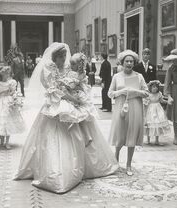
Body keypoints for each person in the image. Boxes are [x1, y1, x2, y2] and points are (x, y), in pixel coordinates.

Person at [14, 42, 118, 193]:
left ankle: (85, 166)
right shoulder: (49, 69)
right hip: (57, 106)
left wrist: (78, 95)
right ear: (54, 58)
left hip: (73, 104)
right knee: (56, 138)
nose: (63, 59)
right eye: (60, 57)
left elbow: (78, 82)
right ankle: (58, 171)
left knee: (82, 129)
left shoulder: (69, 69)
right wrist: (70, 98)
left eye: (64, 56)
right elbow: (52, 89)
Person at [108, 50, 148, 176]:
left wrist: (136, 92)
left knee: (132, 135)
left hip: (135, 107)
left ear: (134, 63)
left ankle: (129, 164)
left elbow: (146, 92)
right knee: (120, 134)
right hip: (121, 107)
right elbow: (110, 93)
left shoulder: (139, 76)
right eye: (127, 61)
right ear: (122, 62)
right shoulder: (116, 76)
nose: (129, 63)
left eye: (131, 61)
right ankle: (116, 162)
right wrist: (122, 91)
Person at [0, 66, 25, 149]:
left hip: (9, 102)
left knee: (9, 122)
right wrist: (2, 93)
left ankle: (7, 142)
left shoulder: (12, 82)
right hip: (0, 103)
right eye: (6, 73)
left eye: (8, 73)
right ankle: (1, 141)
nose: (7, 75)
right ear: (2, 74)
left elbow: (13, 92)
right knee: (2, 122)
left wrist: (15, 98)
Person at [144, 80, 170, 145]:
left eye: (156, 87)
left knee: (158, 124)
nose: (155, 88)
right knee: (149, 124)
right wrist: (144, 104)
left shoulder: (159, 94)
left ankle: (157, 140)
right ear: (150, 88)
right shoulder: (148, 95)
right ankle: (148, 139)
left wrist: (167, 102)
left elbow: (162, 101)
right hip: (150, 110)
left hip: (158, 110)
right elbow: (146, 102)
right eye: (153, 87)